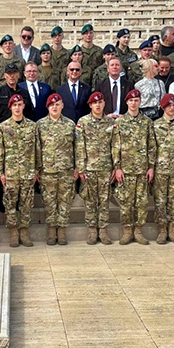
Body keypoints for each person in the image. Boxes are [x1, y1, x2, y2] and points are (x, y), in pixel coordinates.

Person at [111, 89, 156, 245]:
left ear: (140, 102)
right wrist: (117, 167)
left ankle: (138, 231)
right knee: (126, 202)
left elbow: (151, 146)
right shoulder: (120, 123)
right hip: (126, 170)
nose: (134, 103)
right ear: (127, 102)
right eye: (131, 100)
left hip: (142, 169)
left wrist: (151, 167)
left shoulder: (147, 122)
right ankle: (127, 231)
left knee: (142, 203)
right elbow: (116, 146)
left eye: (136, 100)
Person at [0, 94, 41, 247]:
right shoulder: (3, 127)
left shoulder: (32, 126)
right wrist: (1, 172)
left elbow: (37, 149)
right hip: (11, 172)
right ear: (10, 107)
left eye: (20, 105)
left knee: (26, 203)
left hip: (28, 171)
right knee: (10, 203)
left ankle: (24, 231)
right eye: (14, 105)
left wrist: (37, 169)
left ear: (23, 106)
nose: (17, 108)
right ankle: (14, 232)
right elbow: (0, 151)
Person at [75, 92, 115, 245]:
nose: (98, 105)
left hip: (105, 168)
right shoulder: (83, 122)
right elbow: (80, 146)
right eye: (94, 103)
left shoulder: (110, 123)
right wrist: (81, 168)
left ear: (104, 104)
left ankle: (103, 231)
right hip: (89, 168)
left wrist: (115, 167)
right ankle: (92, 230)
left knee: (104, 201)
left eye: (100, 102)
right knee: (90, 201)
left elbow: (115, 146)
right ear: (90, 105)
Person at [38, 93, 77, 245]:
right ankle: (51, 230)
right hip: (47, 171)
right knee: (49, 202)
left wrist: (77, 167)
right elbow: (36, 149)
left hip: (66, 170)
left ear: (62, 106)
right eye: (52, 105)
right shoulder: (40, 125)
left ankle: (61, 231)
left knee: (65, 202)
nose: (54, 107)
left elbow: (77, 148)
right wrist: (37, 169)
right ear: (47, 107)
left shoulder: (70, 124)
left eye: (57, 104)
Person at [152, 94, 174, 244]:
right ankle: (161, 230)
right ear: (163, 107)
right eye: (169, 106)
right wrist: (151, 168)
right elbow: (152, 149)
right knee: (160, 201)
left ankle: (172, 229)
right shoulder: (155, 125)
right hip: (160, 169)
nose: (172, 108)